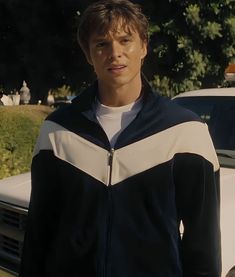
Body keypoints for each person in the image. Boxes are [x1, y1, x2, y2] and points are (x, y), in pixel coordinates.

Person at [19, 0, 221, 276]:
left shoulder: (186, 131)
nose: (115, 53)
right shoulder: (57, 131)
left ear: (144, 47)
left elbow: (203, 243)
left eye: (125, 40)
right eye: (101, 44)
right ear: (88, 55)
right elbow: (39, 234)